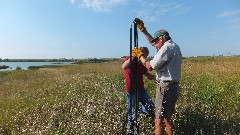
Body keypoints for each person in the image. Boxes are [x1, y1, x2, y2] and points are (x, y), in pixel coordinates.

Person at [133, 18, 182, 135]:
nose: (154, 44)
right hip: (174, 87)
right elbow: (153, 42)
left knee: (158, 121)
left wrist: (140, 56)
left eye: (156, 41)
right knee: (167, 118)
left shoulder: (165, 48)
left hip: (165, 88)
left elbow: (150, 66)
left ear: (162, 38)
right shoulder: (175, 46)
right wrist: (143, 30)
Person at [122, 47, 155, 134]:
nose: (143, 58)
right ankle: (131, 132)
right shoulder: (129, 59)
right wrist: (134, 57)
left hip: (141, 90)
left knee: (150, 106)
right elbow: (124, 66)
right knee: (132, 115)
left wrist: (155, 78)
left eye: (145, 56)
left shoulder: (141, 63)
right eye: (142, 55)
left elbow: (146, 73)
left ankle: (140, 109)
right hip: (132, 91)